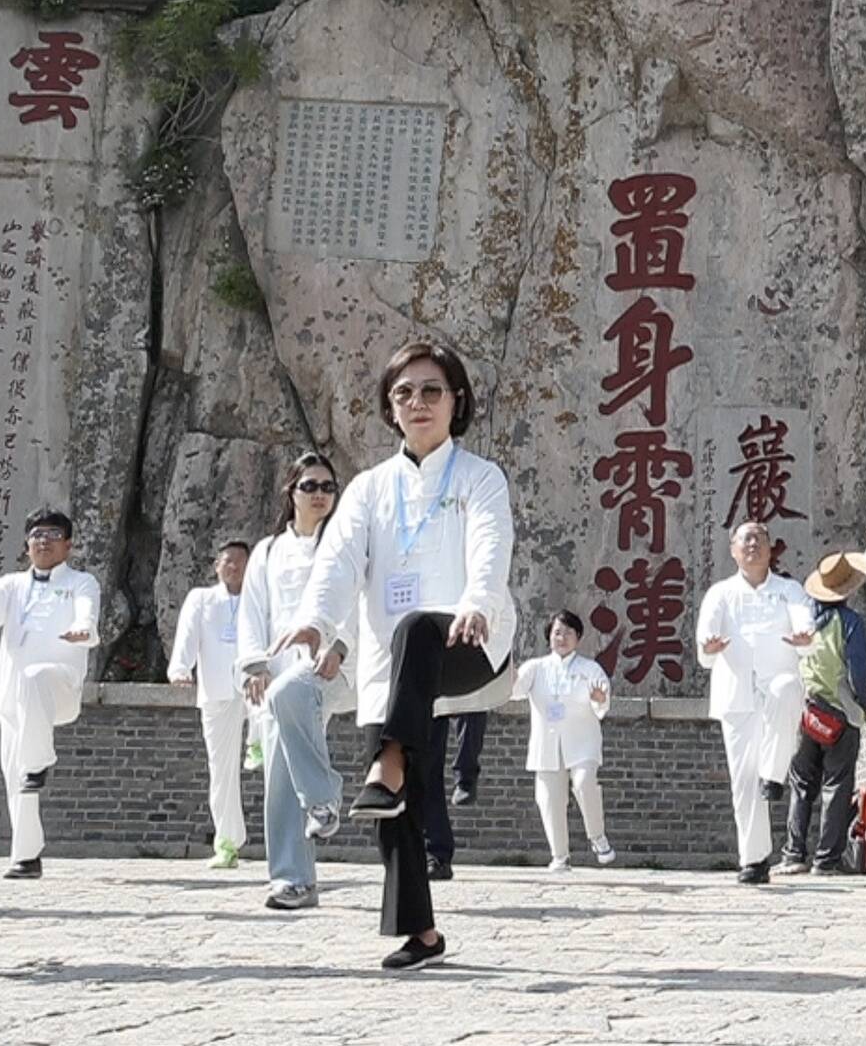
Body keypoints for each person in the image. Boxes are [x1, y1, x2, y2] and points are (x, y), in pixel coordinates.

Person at [294, 339, 520, 971]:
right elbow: (337, 561)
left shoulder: (479, 477)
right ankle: (420, 933)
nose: (417, 403)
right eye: (403, 393)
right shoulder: (368, 489)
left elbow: (489, 543)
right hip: (390, 667)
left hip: (465, 641)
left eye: (430, 391)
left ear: (457, 402)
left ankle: (389, 759)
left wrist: (477, 600)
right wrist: (316, 622)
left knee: (421, 629)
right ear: (390, 408)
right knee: (394, 802)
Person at [0, 509, 103, 880]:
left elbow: (86, 612)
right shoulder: (12, 585)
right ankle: (26, 856)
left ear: (69, 544)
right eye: (37, 534)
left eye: (53, 534)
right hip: (14, 697)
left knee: (36, 677)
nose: (44, 540)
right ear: (26, 544)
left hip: (58, 686)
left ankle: (40, 759)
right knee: (16, 778)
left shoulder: (81, 582)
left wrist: (82, 629)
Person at [240, 452, 351, 910]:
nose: (320, 494)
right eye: (311, 486)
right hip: (278, 671)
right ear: (292, 492)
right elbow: (252, 613)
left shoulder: (345, 544)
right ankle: (293, 879)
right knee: (279, 775)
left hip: (334, 667)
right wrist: (252, 665)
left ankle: (324, 796)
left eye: (328, 487)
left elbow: (359, 602)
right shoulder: (267, 551)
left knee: (293, 693)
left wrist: (340, 645)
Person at [696, 520, 812, 882]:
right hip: (737, 692)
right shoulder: (720, 593)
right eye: (745, 539)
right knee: (744, 781)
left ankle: (776, 775)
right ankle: (755, 860)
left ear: (770, 548)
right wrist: (709, 644)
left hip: (778, 678)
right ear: (733, 549)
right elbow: (706, 631)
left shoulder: (789, 590)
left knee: (787, 690)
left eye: (759, 539)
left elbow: (803, 616)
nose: (752, 545)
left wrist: (804, 632)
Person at [789, 554, 866, 875]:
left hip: (806, 713)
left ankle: (793, 853)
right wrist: (864, 704)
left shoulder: (802, 623)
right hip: (841, 716)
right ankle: (826, 859)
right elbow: (859, 674)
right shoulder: (850, 623)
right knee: (837, 787)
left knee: (801, 785)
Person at [170, 540, 255, 869]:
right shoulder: (202, 599)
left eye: (241, 561)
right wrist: (180, 668)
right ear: (217, 565)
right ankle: (228, 841)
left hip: (255, 684)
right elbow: (188, 636)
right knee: (222, 770)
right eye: (228, 560)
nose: (235, 567)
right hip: (218, 689)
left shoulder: (259, 599)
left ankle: (256, 743)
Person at [518, 609, 616, 869]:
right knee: (549, 799)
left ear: (578, 637)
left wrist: (599, 700)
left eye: (568, 632)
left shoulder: (589, 668)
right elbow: (514, 690)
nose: (562, 638)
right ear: (549, 636)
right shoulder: (535, 668)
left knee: (584, 783)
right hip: (546, 744)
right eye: (557, 632)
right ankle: (559, 856)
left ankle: (598, 836)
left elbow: (603, 700)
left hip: (582, 741)